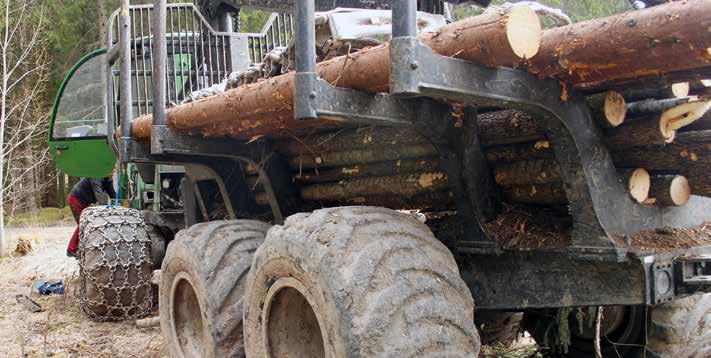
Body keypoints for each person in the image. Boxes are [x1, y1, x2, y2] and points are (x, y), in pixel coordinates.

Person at [66, 177, 117, 258]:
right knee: (83, 224)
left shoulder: (108, 179)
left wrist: (119, 205)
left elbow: (113, 194)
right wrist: (104, 207)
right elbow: (98, 193)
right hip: (76, 199)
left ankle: (81, 247)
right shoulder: (95, 175)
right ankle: (71, 249)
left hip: (84, 201)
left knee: (85, 224)